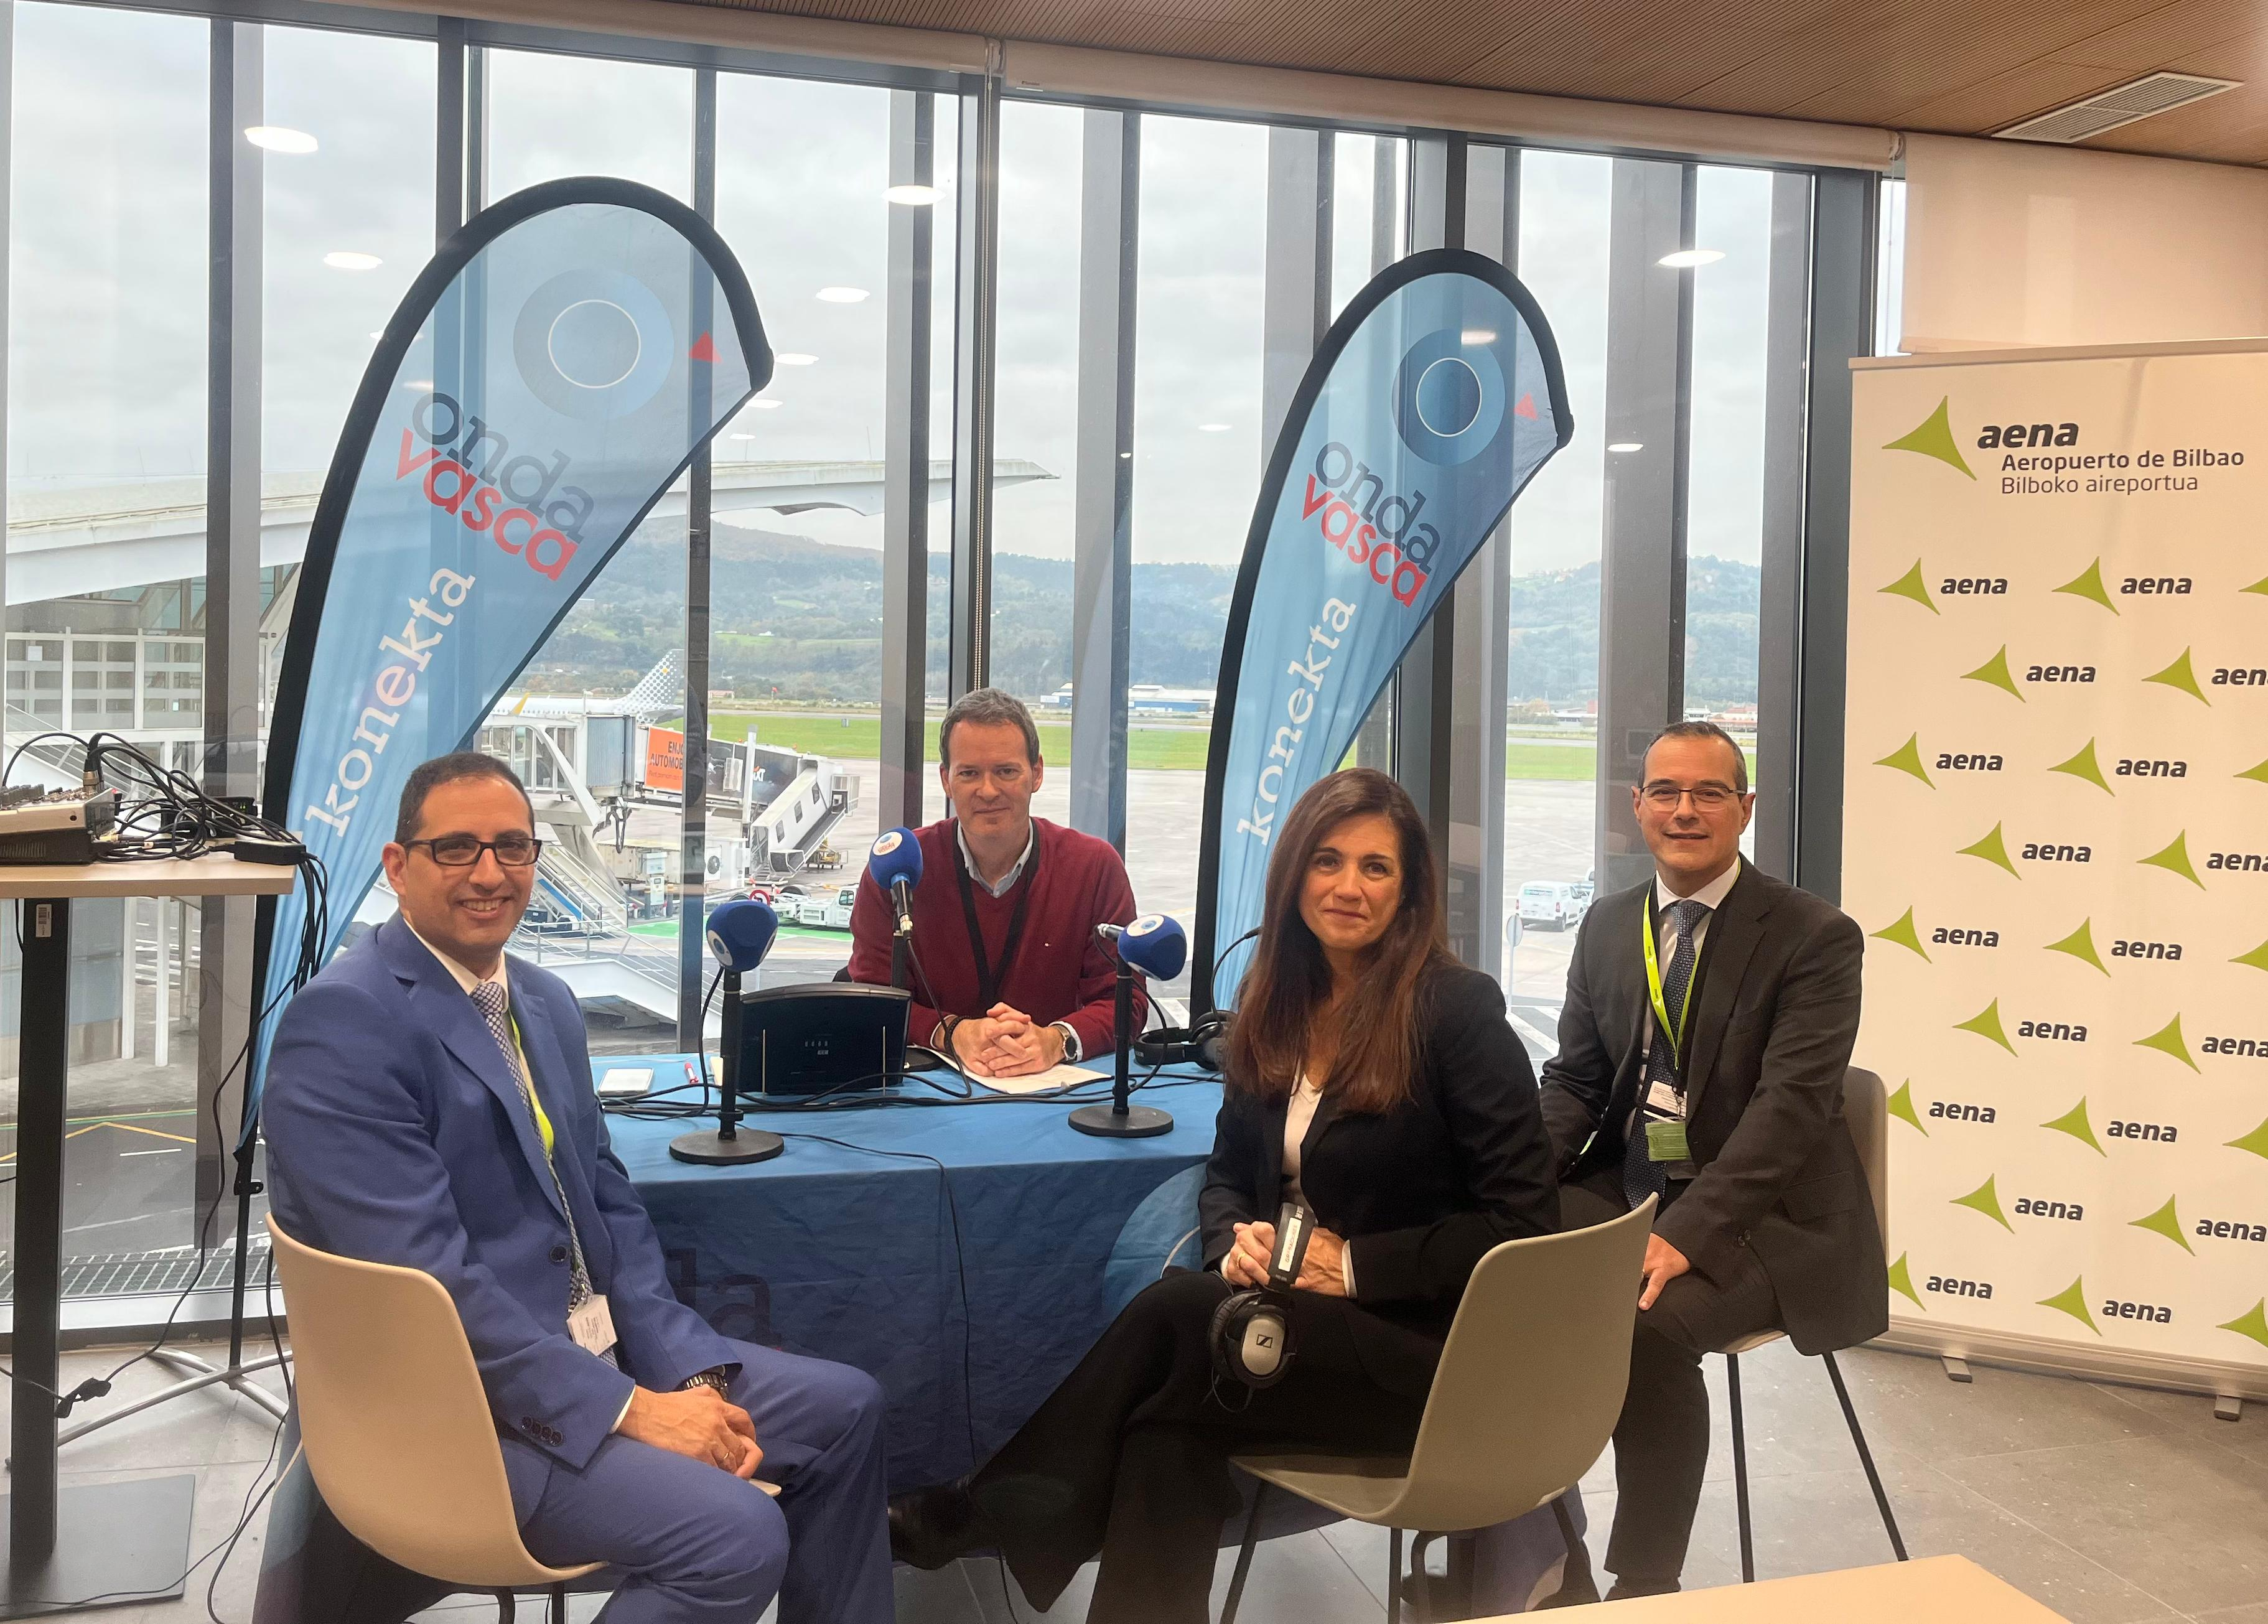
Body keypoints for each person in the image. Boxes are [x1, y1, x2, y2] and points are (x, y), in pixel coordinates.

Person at [884, 768, 1558, 1622]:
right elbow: (1229, 1176)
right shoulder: (1272, 1001)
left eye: (1376, 867)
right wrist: (1228, 1246)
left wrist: (1353, 1266)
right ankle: (985, 1511)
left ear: (1410, 887)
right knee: (1170, 1426)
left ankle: (976, 1510)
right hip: (1283, 1329)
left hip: (1428, 1354)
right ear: (1294, 876)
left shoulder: (1457, 1012)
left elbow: (1521, 1227)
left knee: (1178, 1317)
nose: (1348, 886)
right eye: (1327, 860)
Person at [263, 753, 893, 1624]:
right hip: (467, 1412)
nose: (490, 872)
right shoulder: (345, 1025)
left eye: (512, 847)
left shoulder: (546, 1002)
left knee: (847, 1409)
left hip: (598, 1358)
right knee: (734, 1536)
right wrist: (632, 1409)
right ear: (398, 867)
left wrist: (686, 1373)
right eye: (456, 849)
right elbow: (433, 1293)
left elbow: (608, 1207)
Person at [1536, 721, 1883, 1605]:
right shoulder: (1610, 923)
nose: (1684, 810)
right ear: (1637, 806)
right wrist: (1509, 1179)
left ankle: (1646, 1579)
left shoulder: (1814, 936)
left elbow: (1791, 1111)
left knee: (1646, 1324)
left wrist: (1685, 1235)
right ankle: (1533, 1541)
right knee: (1491, 1262)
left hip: (1772, 1213)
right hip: (1637, 1184)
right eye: (1665, 791)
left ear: (1745, 809)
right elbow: (1576, 1077)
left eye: (1708, 793)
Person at [847, 687, 1142, 1078]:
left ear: (1036, 774)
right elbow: (871, 1001)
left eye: (1006, 771)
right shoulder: (895, 870)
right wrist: (950, 1033)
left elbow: (1125, 1000)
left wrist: (1055, 1041)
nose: (988, 791)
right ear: (946, 780)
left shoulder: (1094, 867)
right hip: (928, 1094)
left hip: (1056, 1093)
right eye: (969, 773)